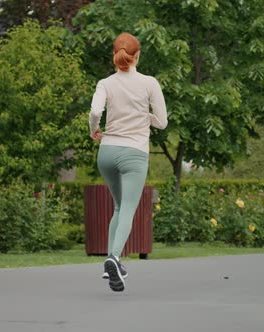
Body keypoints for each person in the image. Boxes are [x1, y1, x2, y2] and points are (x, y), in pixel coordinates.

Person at [89, 32, 168, 292]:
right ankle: (113, 257)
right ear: (138, 55)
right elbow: (163, 121)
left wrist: (94, 129)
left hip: (107, 152)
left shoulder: (105, 83)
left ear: (115, 54)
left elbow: (95, 112)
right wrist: (147, 118)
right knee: (128, 209)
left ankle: (112, 261)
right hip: (134, 153)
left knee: (119, 206)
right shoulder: (149, 83)